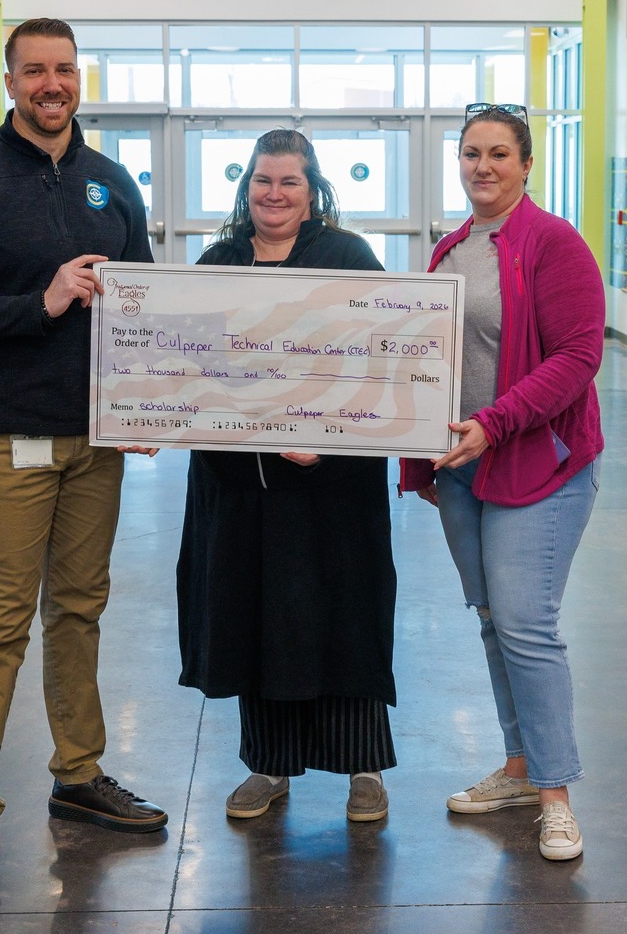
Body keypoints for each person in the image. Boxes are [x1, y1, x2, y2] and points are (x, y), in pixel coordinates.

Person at [0, 17, 168, 890]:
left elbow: (147, 312)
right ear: (10, 81)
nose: (51, 85)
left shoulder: (110, 182)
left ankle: (79, 776)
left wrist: (150, 404)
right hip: (7, 436)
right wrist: (40, 303)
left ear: (78, 77)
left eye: (64, 70)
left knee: (80, 610)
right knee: (0, 624)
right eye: (34, 71)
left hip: (97, 442)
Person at [400, 103, 604, 861]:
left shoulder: (554, 244)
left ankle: (556, 795)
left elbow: (578, 357)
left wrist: (497, 420)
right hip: (464, 473)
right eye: (470, 154)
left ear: (525, 165)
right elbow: (424, 362)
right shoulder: (451, 250)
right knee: (493, 621)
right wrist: (421, 460)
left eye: (498, 154)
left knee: (526, 626)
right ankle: (520, 769)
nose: (482, 167)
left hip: (538, 463)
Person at [176, 129, 398, 823]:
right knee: (256, 614)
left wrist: (328, 440)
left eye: (289, 183)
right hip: (240, 489)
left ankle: (363, 768)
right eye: (261, 181)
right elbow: (186, 367)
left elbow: (382, 363)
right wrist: (148, 419)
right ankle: (268, 766)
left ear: (312, 192)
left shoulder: (349, 258)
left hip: (331, 489)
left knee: (343, 612)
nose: (273, 194)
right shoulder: (216, 264)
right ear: (246, 189)